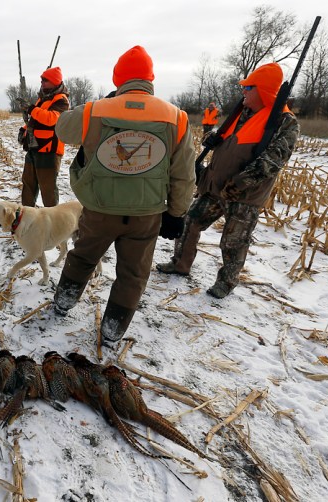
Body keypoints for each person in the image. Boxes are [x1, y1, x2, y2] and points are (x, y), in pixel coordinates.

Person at [52, 46, 196, 343]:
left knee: (82, 258)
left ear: (118, 78)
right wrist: (176, 214)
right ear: (150, 79)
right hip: (147, 215)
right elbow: (184, 174)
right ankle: (112, 331)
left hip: (100, 209)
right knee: (133, 274)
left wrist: (102, 104)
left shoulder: (96, 110)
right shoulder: (176, 118)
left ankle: (64, 302)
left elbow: (62, 129)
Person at [156, 62, 299, 299]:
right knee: (190, 221)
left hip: (244, 195)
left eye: (249, 87)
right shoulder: (242, 112)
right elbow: (231, 139)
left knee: (233, 242)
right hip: (215, 186)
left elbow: (273, 160)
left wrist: (241, 183)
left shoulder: (286, 122)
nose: (244, 91)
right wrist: (212, 139)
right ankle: (180, 264)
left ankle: (226, 282)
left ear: (263, 91)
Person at [18, 67, 70, 207]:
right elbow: (34, 121)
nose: (42, 83)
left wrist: (31, 108)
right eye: (41, 80)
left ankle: (53, 221)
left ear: (54, 81)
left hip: (49, 150)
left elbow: (51, 119)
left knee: (48, 189)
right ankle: (26, 215)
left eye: (45, 80)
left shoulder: (61, 100)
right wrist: (23, 130)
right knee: (28, 184)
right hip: (34, 147)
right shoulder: (42, 98)